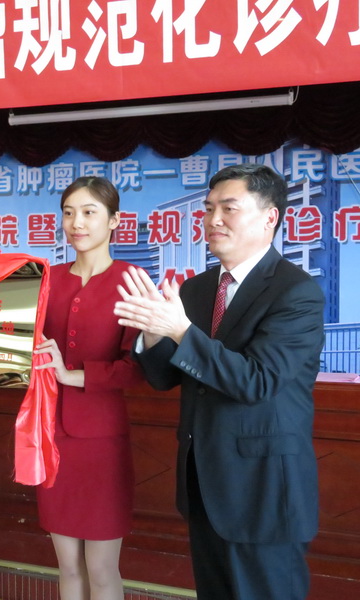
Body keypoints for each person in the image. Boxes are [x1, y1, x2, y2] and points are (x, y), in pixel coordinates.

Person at [113, 164, 324, 600]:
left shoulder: (296, 292)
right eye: (209, 209)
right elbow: (165, 378)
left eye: (229, 208)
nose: (214, 220)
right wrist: (153, 334)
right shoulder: (196, 289)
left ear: (270, 217)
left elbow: (258, 381)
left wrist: (179, 331)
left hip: (264, 491)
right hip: (204, 485)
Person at [33, 177, 143, 600]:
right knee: (67, 566)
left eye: (88, 212)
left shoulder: (132, 281)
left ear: (114, 220)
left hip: (102, 443)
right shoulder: (48, 279)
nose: (76, 223)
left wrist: (72, 375)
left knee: (100, 568)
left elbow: (136, 370)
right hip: (51, 437)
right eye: (68, 213)